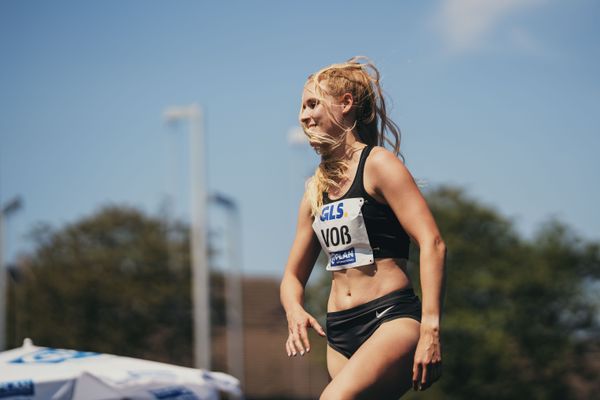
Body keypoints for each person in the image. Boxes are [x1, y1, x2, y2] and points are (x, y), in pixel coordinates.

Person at [279, 56, 447, 399]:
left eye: (312, 103)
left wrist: (431, 328)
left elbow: (432, 243)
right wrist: (294, 309)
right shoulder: (314, 191)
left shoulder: (379, 165)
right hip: (340, 333)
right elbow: (292, 278)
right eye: (301, 107)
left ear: (346, 104)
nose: (303, 115)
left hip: (390, 319)